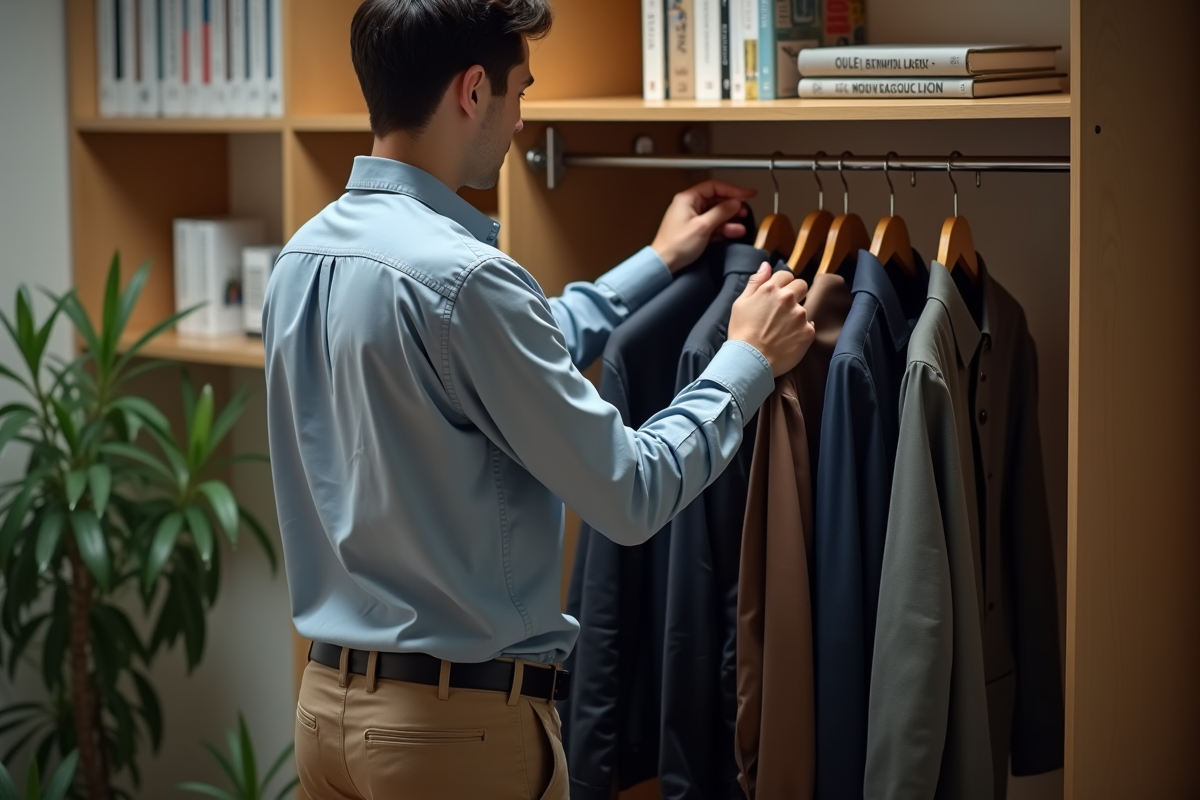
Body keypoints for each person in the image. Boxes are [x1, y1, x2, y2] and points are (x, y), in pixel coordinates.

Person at [261, 1, 816, 797]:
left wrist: (656, 262)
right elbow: (630, 491)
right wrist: (746, 359)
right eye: (521, 92)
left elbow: (510, 351)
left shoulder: (304, 256)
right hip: (453, 737)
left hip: (326, 717)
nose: (522, 119)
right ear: (473, 89)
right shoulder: (466, 280)